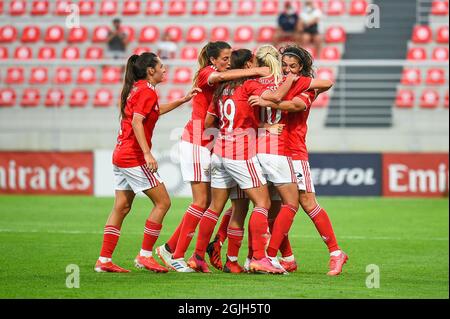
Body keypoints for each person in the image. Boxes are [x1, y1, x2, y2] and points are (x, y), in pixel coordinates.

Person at [156, 42, 271, 272]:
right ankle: (177, 255)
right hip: (198, 141)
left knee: (207, 203)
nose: (227, 63)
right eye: (224, 59)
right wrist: (257, 71)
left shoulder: (224, 82)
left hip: (211, 145)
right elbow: (210, 117)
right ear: (213, 60)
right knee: (201, 202)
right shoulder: (207, 74)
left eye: (230, 59)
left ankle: (171, 248)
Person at [188, 47, 299, 274]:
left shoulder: (221, 89)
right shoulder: (249, 85)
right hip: (240, 154)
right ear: (248, 65)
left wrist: (241, 126)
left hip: (218, 152)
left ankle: (198, 256)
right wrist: (290, 79)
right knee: (263, 204)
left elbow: (209, 121)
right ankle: (259, 257)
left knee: (216, 207)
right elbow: (275, 98)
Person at [94, 52, 200, 273]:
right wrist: (147, 154)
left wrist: (181, 100)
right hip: (133, 156)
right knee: (163, 203)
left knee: (121, 206)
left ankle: (104, 260)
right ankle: (145, 255)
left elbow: (153, 113)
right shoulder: (146, 91)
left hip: (120, 154)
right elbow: (137, 121)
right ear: (150, 70)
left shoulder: (139, 89)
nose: (164, 69)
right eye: (161, 66)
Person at [250, 45, 348, 276]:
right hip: (274, 152)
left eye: (292, 66)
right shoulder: (278, 83)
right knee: (274, 209)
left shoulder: (304, 86)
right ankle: (288, 259)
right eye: (284, 65)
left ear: (301, 67)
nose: (287, 69)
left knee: (306, 202)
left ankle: (335, 252)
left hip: (294, 151)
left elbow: (296, 105)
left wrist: (268, 102)